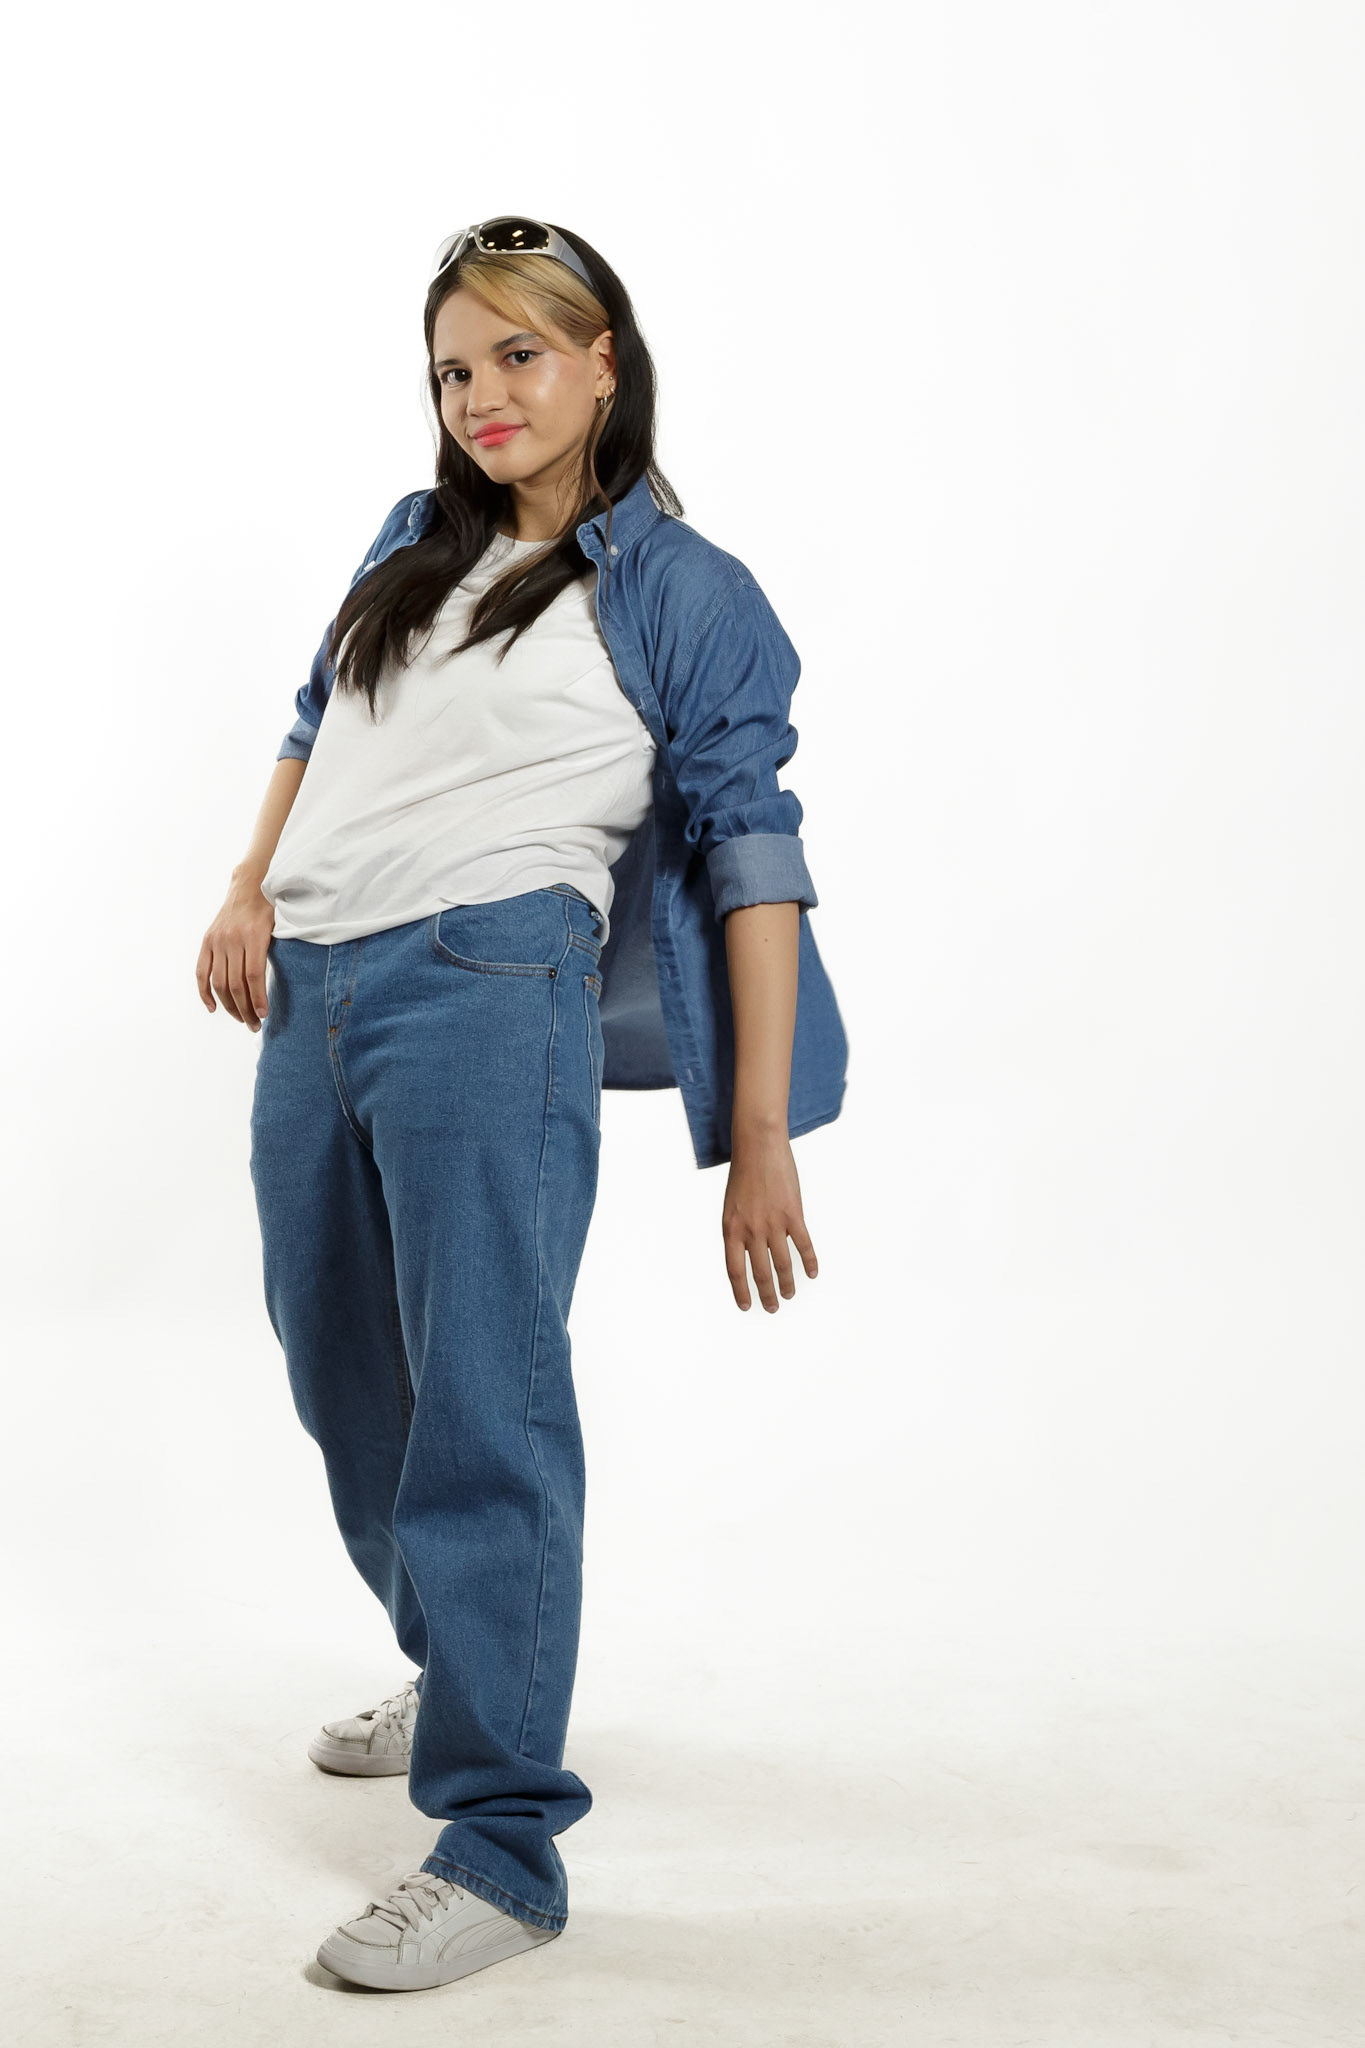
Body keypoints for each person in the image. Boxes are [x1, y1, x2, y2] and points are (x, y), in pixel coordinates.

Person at [196, 216, 849, 1995]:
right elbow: (317, 719)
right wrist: (250, 883)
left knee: (484, 1400)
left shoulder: (681, 588)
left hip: (491, 988)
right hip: (315, 989)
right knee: (341, 1372)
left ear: (601, 360)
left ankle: (499, 1841)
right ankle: (468, 1659)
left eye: (517, 355)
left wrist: (760, 1133)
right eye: (451, 369)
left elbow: (753, 854)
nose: (480, 395)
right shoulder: (410, 544)